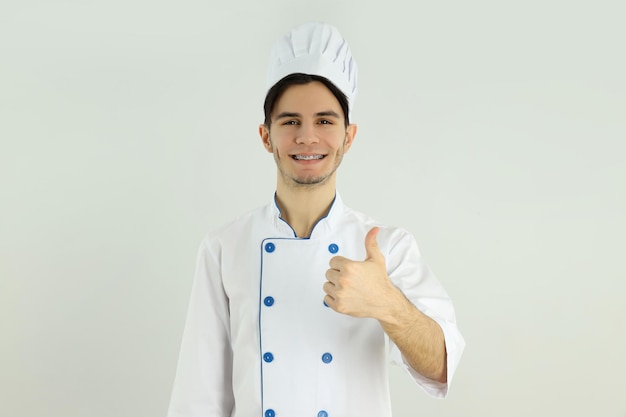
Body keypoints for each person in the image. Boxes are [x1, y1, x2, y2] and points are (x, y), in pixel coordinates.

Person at [168, 22, 465, 417]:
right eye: (290, 121)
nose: (307, 137)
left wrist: (387, 304)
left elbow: (442, 366)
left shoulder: (387, 246)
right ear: (265, 136)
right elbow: (198, 398)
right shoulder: (224, 248)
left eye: (325, 121)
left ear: (348, 136)